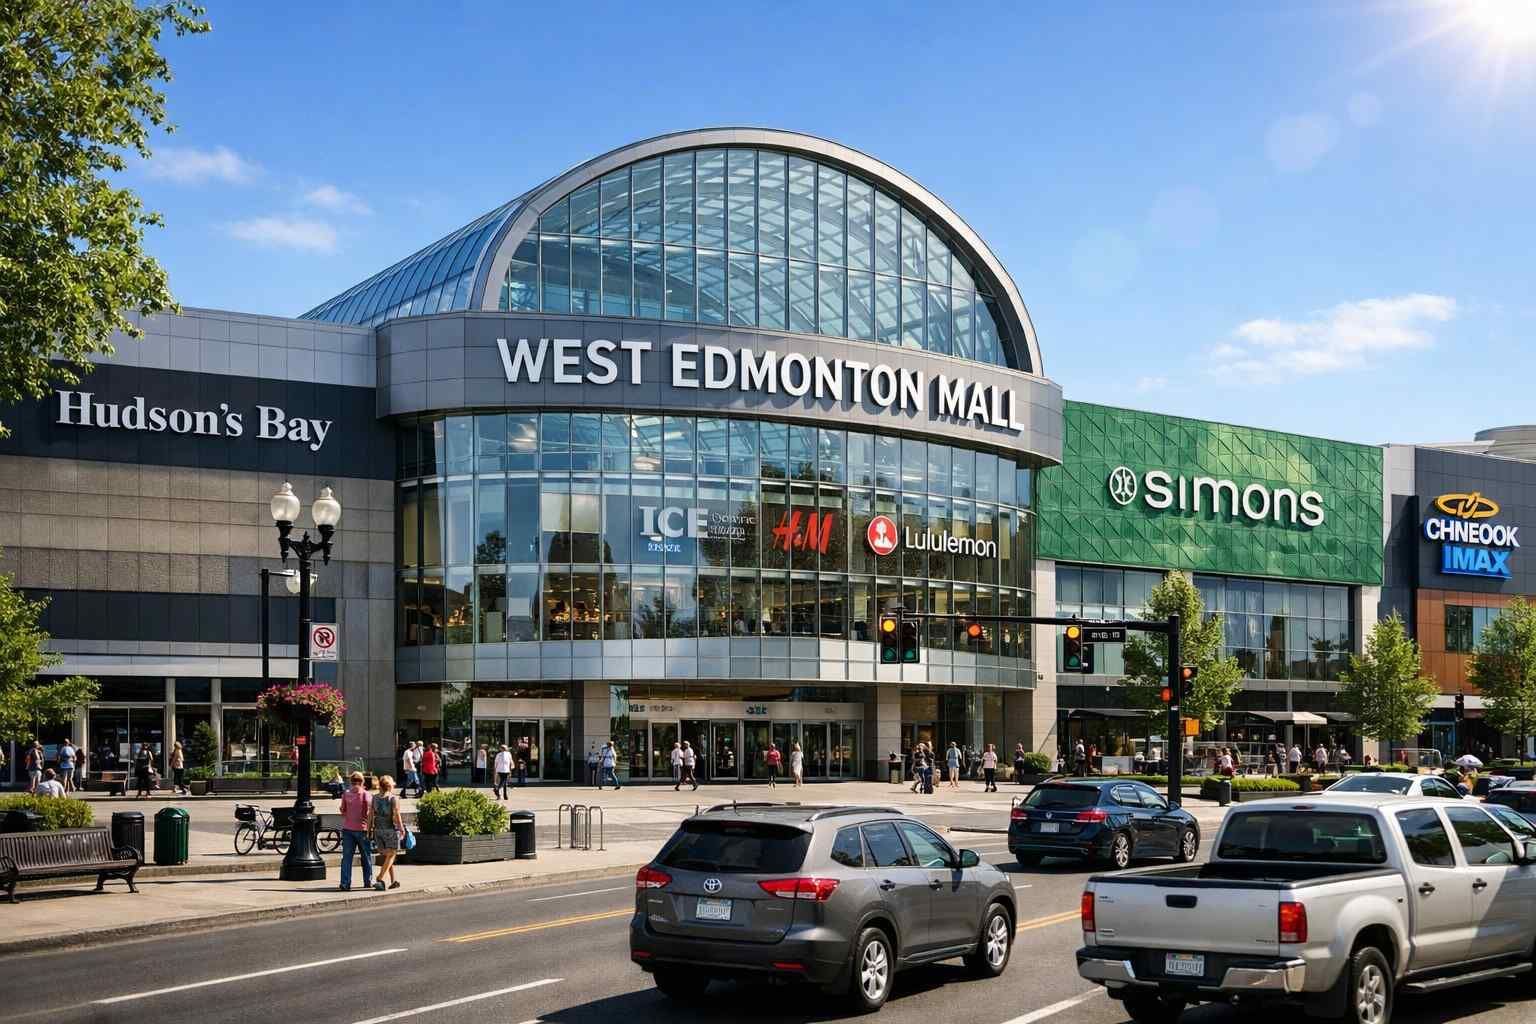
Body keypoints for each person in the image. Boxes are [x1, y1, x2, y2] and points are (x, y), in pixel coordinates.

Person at [337, 771, 373, 892]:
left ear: (351, 782)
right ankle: (368, 881)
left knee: (347, 858)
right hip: (362, 829)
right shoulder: (366, 794)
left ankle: (345, 883)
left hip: (348, 829)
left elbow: (343, 811)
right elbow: (369, 813)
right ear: (362, 782)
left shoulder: (346, 794)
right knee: (366, 857)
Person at [367, 774, 404, 891]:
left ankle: (394, 881)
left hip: (378, 831)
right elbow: (397, 815)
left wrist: (369, 830)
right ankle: (380, 878)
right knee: (392, 854)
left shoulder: (374, 798)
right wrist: (402, 828)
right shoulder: (393, 798)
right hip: (390, 830)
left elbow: (370, 816)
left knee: (388, 856)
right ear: (390, 786)